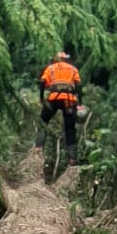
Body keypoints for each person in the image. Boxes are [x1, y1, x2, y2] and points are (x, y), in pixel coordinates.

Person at [38, 48, 81, 180]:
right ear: (66, 59)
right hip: (69, 100)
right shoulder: (73, 69)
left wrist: (41, 99)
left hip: (54, 98)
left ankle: (38, 148)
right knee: (70, 129)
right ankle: (72, 158)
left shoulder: (50, 68)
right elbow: (78, 85)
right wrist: (80, 103)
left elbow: (42, 82)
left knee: (42, 122)